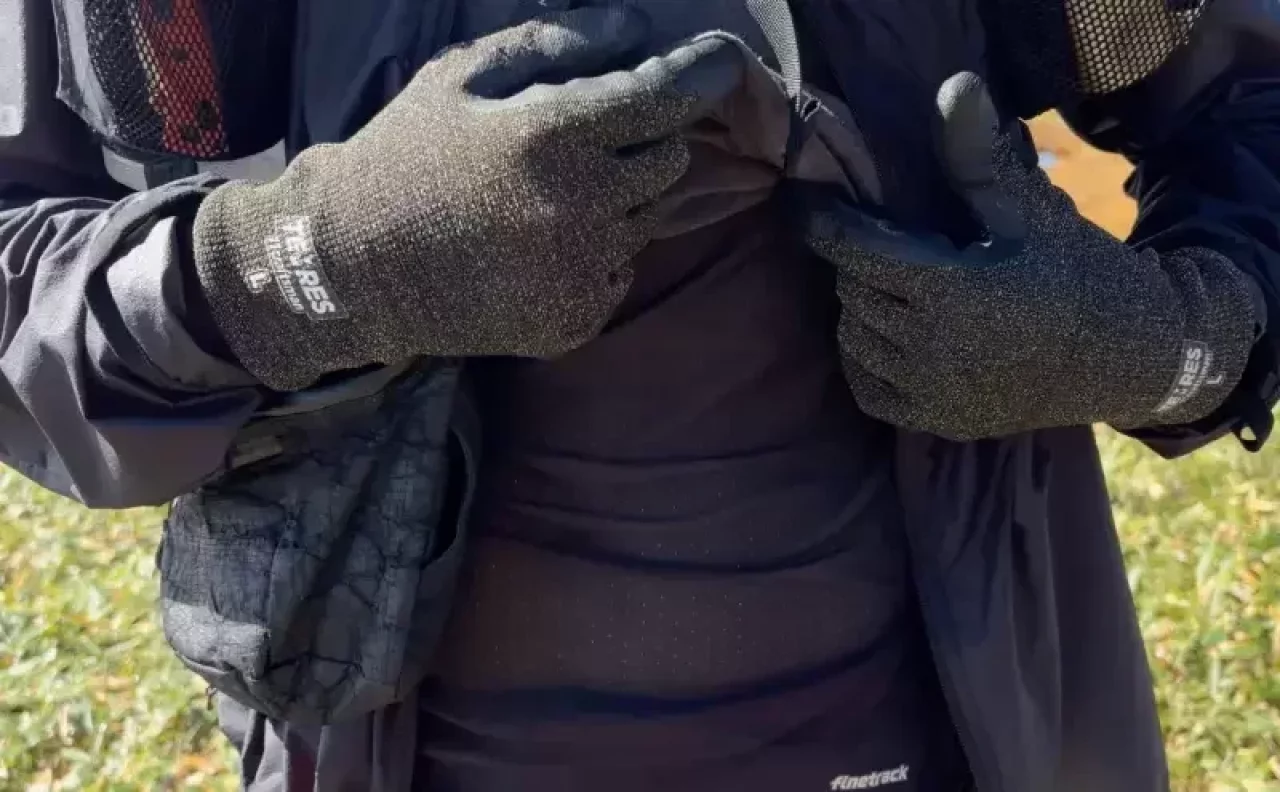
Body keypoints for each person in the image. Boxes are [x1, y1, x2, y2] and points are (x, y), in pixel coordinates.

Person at [2, 0, 1278, 789]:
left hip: (963, 728)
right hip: (381, 736)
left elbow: (1246, 98)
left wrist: (1173, 338)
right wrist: (297, 261)